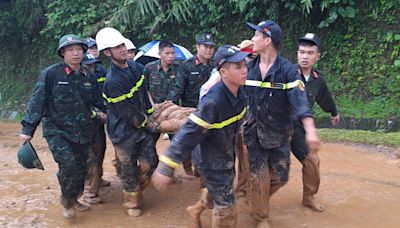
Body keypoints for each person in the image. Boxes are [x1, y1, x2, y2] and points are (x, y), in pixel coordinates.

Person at [152, 45, 249, 228]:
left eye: (245, 65)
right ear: (224, 72)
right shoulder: (213, 102)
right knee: (226, 205)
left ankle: (197, 208)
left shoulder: (241, 92)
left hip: (226, 152)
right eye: (238, 67)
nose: (244, 70)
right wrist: (166, 166)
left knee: (223, 189)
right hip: (210, 159)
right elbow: (189, 132)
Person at [20, 34, 106, 219]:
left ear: (84, 52)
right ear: (62, 53)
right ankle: (68, 201)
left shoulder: (88, 76)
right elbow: (38, 101)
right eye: (70, 50)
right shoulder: (51, 74)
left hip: (83, 131)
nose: (75, 53)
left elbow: (99, 102)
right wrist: (28, 129)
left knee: (84, 167)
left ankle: (74, 198)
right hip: (57, 131)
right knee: (68, 166)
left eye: (78, 49)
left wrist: (110, 113)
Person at [243, 20, 320, 227]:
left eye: (256, 36)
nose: (252, 39)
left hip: (279, 135)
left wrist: (310, 129)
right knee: (259, 176)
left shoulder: (287, 71)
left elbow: (300, 101)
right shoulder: (246, 67)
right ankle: (261, 217)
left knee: (280, 176)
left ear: (267, 41)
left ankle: (255, 197)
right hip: (252, 134)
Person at [95, 27, 158, 217]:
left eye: (123, 44)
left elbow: (144, 96)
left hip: (142, 127)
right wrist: (148, 123)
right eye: (117, 47)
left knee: (151, 163)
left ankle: (135, 188)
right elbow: (127, 112)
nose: (122, 49)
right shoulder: (112, 81)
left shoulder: (138, 69)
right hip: (123, 132)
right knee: (128, 167)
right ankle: (132, 202)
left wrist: (151, 113)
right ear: (108, 52)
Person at [291, 33, 340, 212]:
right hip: (279, 127)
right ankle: (259, 204)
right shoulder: (285, 73)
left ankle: (308, 197)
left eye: (310, 53)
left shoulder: (318, 80)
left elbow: (325, 98)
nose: (305, 56)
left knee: (312, 161)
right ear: (297, 53)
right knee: (273, 171)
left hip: (300, 129)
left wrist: (333, 112)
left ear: (317, 56)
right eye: (302, 52)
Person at [168, 33, 215, 176]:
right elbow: (178, 89)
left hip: (212, 112)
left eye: (211, 47)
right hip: (192, 113)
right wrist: (171, 108)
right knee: (192, 144)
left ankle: (203, 172)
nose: (209, 50)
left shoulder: (216, 66)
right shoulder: (186, 66)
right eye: (205, 46)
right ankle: (191, 169)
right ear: (197, 47)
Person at [80, 53, 109, 204]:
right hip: (83, 125)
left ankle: (97, 179)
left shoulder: (98, 73)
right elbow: (79, 104)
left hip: (98, 124)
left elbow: (99, 98)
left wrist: (107, 111)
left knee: (100, 150)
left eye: (93, 64)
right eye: (88, 65)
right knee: (89, 156)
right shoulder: (75, 78)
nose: (92, 67)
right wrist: (95, 114)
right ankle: (89, 191)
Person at [144, 40, 179, 143]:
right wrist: (152, 105)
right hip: (154, 112)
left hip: (172, 112)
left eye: (172, 53)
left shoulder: (178, 68)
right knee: (149, 143)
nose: (170, 56)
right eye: (167, 53)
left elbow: (179, 89)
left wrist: (169, 105)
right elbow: (145, 89)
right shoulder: (149, 68)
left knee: (176, 143)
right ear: (159, 54)